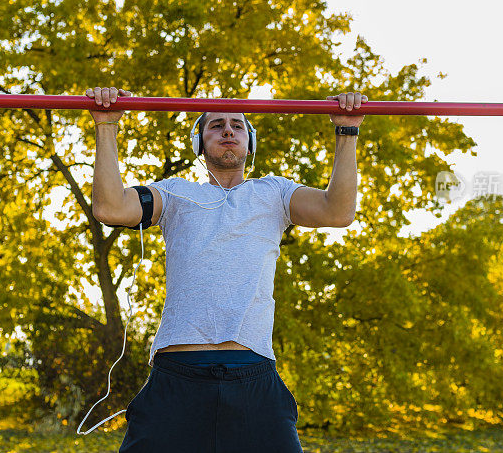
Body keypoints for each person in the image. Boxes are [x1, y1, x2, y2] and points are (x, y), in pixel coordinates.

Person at [87, 86, 367, 452]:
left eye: (237, 124)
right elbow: (110, 207)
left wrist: (346, 131)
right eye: (215, 125)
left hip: (253, 375)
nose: (228, 130)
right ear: (200, 145)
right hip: (178, 378)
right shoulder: (174, 193)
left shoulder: (275, 193)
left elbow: (338, 212)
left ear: (250, 142)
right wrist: (106, 125)